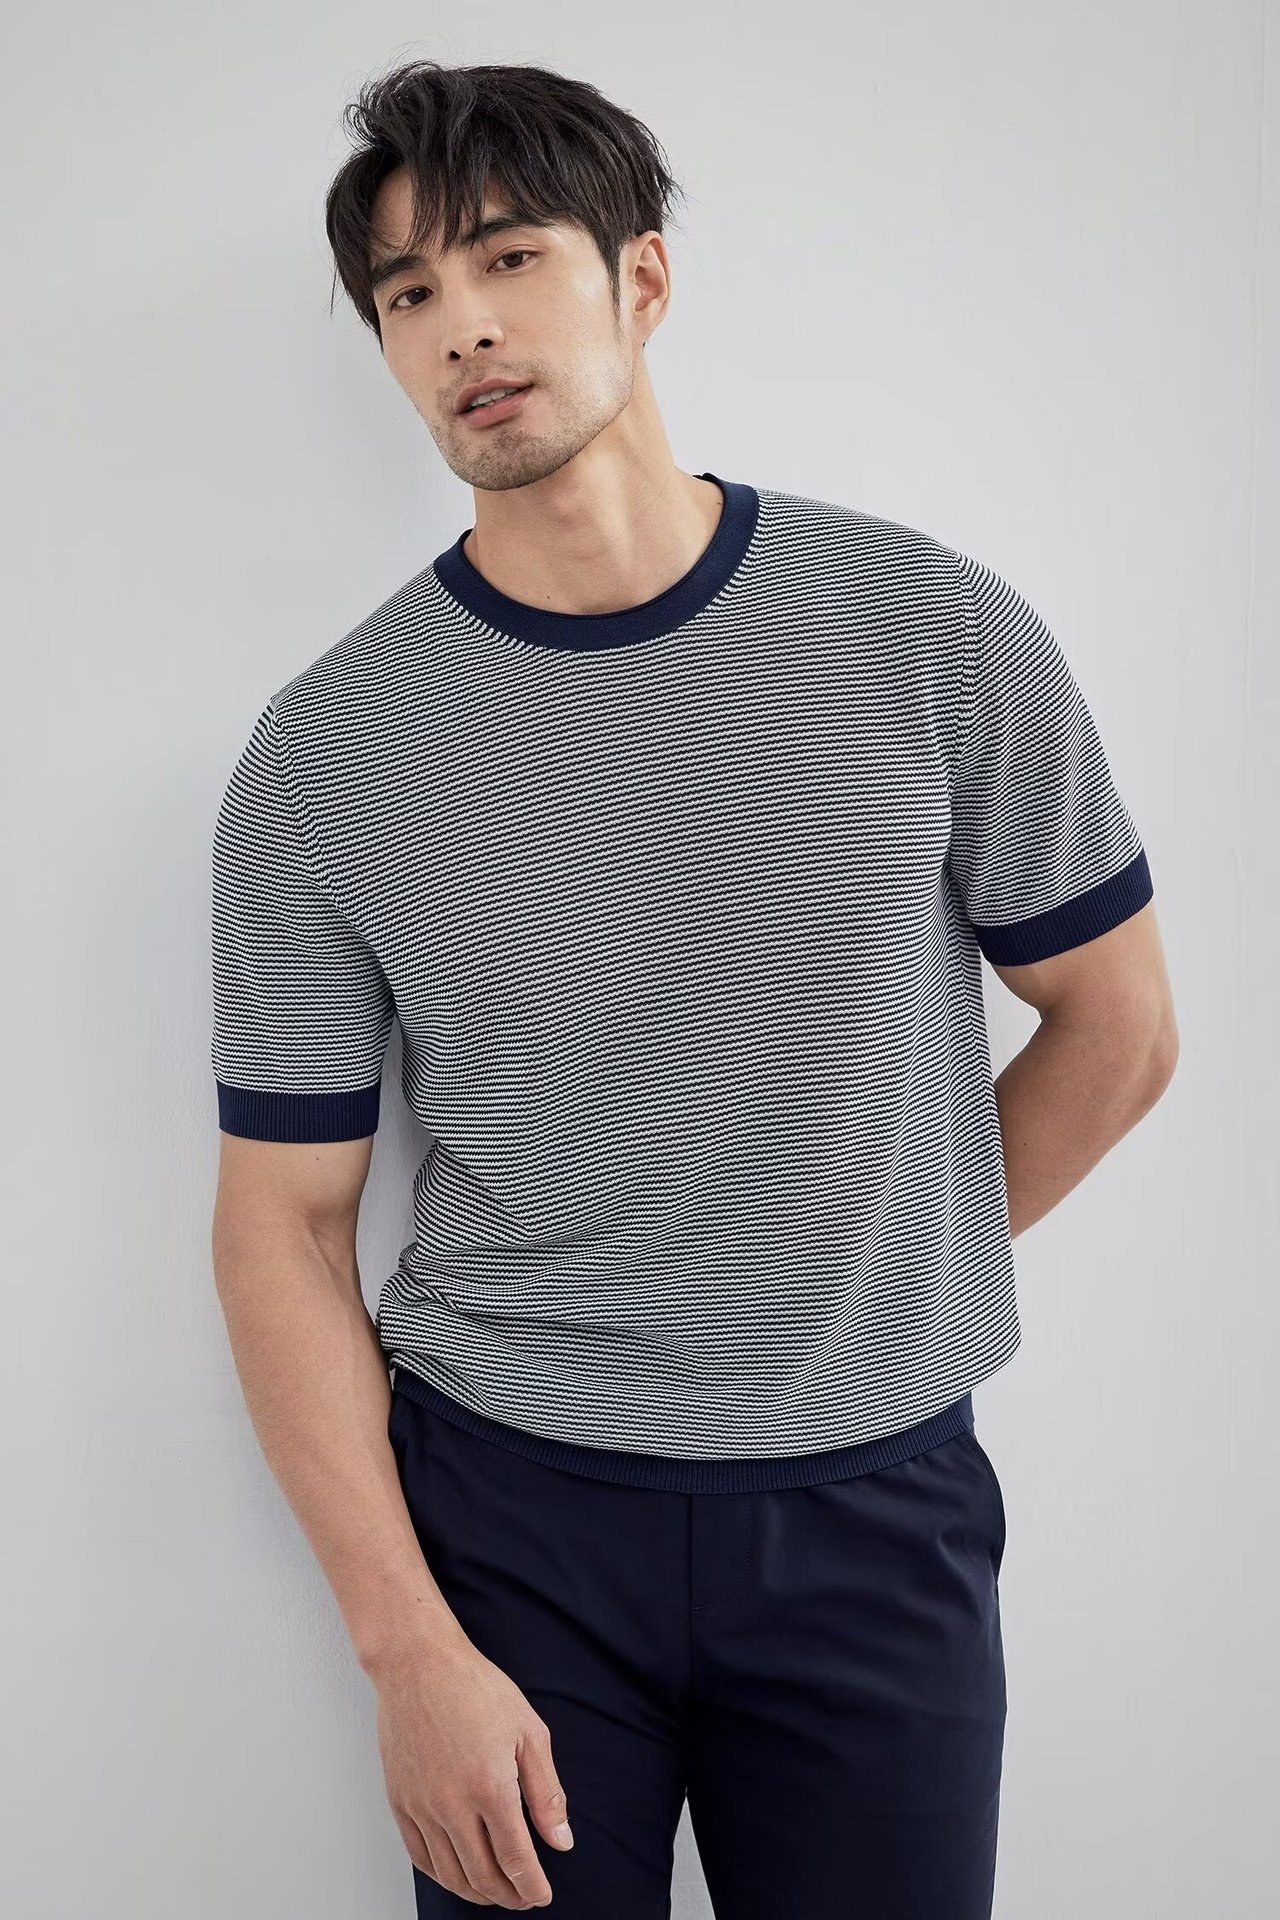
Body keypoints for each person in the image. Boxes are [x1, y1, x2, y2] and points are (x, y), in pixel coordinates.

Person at [209, 58, 1178, 1919]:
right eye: (408, 294)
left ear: (641, 278)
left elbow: (1120, 1027)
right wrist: (405, 1649)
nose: (461, 326)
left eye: (508, 257)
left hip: (873, 1508)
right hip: (510, 1524)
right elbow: (284, 1219)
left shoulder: (930, 630)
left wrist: (861, 1281)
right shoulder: (330, 752)